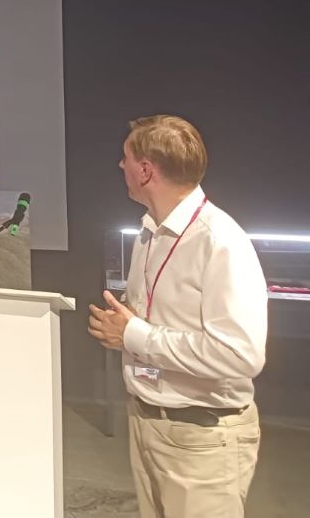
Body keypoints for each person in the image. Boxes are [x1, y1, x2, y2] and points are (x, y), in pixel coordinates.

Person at [88, 115, 267, 518]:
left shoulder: (220, 242)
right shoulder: (149, 232)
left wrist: (134, 334)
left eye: (126, 157)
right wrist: (126, 323)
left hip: (202, 439)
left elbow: (241, 355)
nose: (120, 165)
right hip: (149, 422)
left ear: (146, 170)